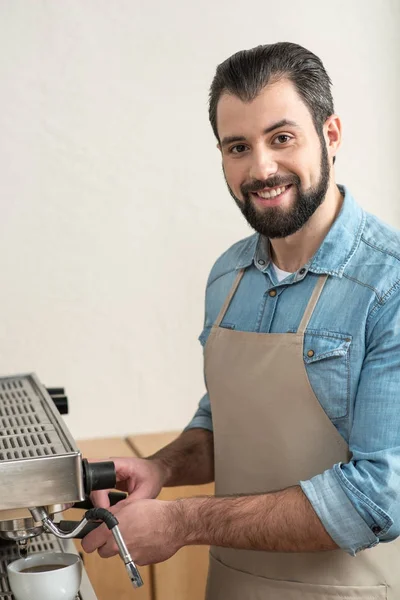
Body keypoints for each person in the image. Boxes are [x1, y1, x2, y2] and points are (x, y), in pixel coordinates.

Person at [81, 42, 400, 598]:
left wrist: (182, 522)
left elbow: (380, 498)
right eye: (237, 146)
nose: (261, 168)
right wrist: (159, 468)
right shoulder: (228, 276)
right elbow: (224, 421)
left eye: (282, 138)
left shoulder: (388, 285)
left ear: (330, 135)